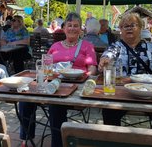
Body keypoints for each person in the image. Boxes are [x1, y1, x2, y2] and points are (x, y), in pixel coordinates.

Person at [19, 12, 97, 147]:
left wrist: (85, 78)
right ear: (64, 27)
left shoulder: (87, 46)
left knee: (55, 105)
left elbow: (92, 69)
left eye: (76, 26)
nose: (72, 28)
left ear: (80, 29)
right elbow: (45, 65)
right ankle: (26, 138)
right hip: (51, 83)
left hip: (74, 87)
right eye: (70, 25)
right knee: (25, 99)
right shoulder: (55, 46)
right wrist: (45, 73)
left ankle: (58, 144)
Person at [98, 12, 152, 130]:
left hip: (150, 93)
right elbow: (108, 55)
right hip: (122, 93)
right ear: (121, 29)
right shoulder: (115, 46)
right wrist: (104, 60)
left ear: (141, 27)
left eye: (133, 25)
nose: (129, 28)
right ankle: (113, 140)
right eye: (125, 26)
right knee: (109, 109)